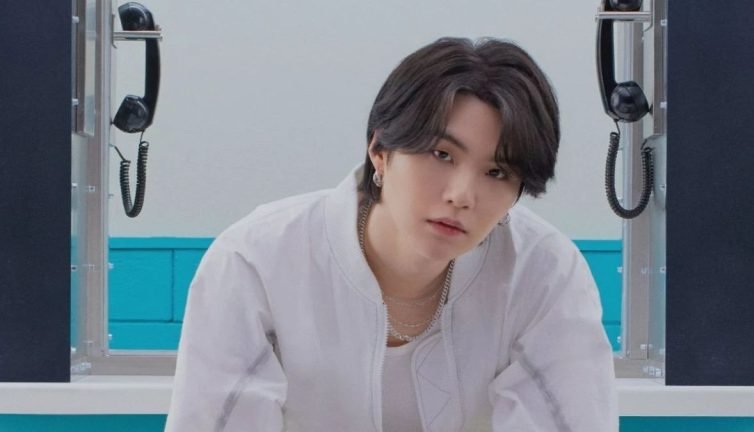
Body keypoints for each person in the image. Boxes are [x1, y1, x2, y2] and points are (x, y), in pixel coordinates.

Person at [164, 37, 618, 432]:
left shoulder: (545, 273)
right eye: (441, 154)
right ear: (380, 150)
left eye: (496, 172)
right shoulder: (255, 260)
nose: (462, 195)